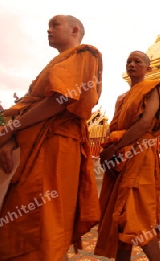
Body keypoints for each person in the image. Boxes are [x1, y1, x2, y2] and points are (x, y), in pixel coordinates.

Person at [0, 15, 102, 260]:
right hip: (30, 145)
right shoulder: (56, 63)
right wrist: (10, 138)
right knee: (18, 218)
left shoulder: (85, 54)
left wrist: (11, 129)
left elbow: (61, 99)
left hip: (56, 144)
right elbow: (29, 107)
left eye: (55, 24)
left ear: (75, 29)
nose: (48, 30)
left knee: (46, 220)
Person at [94, 51, 160, 261]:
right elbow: (115, 126)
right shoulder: (121, 99)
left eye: (138, 61)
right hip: (120, 159)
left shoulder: (152, 89)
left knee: (138, 220)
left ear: (148, 68)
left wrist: (115, 148)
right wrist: (112, 150)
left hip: (140, 156)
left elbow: (145, 123)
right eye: (129, 61)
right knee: (119, 219)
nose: (132, 64)